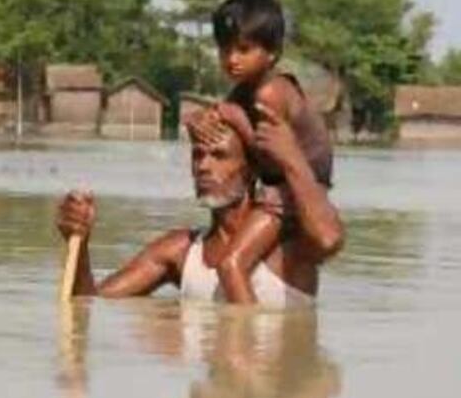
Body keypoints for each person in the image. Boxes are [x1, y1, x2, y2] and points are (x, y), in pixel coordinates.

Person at [55, 105, 342, 306]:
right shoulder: (180, 251)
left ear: (252, 169)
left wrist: (290, 161)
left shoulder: (288, 246)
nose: (203, 166)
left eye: (219, 156)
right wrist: (79, 243)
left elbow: (329, 238)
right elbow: (88, 303)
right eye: (198, 155)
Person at [186, 0, 335, 304]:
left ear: (272, 53)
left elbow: (270, 157)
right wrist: (200, 122)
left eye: (243, 49)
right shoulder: (243, 92)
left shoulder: (270, 93)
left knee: (232, 264)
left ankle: (245, 333)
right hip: (278, 189)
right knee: (234, 262)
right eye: (224, 50)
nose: (232, 59)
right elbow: (226, 130)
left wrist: (239, 121)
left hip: (293, 191)